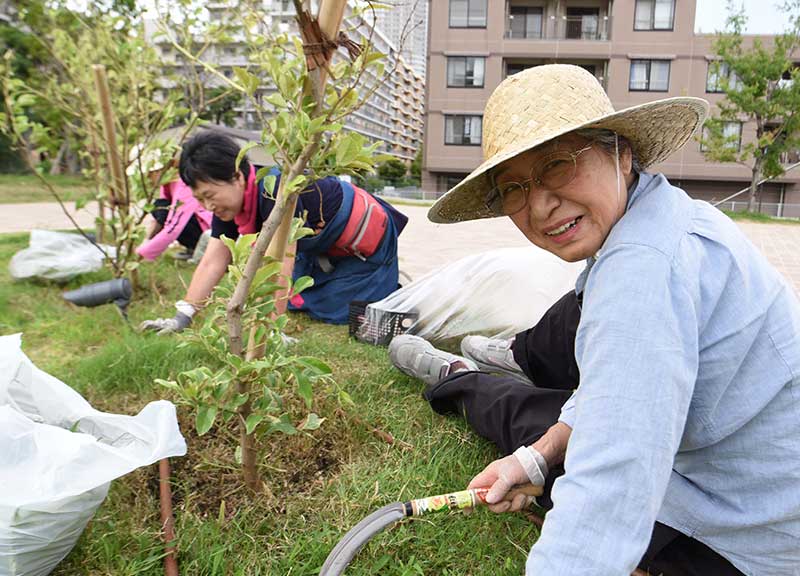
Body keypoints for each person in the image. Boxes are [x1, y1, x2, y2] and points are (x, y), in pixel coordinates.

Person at [388, 64, 800, 575]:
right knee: (555, 416)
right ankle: (502, 357)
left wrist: (542, 461)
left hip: (747, 533)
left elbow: (612, 482)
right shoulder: (663, 214)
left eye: (558, 163)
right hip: (742, 487)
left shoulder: (643, 271)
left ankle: (458, 376)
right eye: (513, 187)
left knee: (530, 422)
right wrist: (534, 458)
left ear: (622, 153)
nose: (539, 206)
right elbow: (621, 393)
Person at [140, 130, 407, 333]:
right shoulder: (228, 207)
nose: (208, 206)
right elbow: (213, 261)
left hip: (366, 240)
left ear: (238, 177)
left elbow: (281, 262)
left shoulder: (275, 189)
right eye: (200, 200)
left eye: (210, 195)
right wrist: (182, 316)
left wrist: (270, 331)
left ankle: (390, 289)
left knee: (337, 309)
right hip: (320, 247)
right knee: (299, 300)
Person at [129, 144, 213, 262]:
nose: (147, 179)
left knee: (174, 217)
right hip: (199, 227)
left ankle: (199, 249)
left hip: (209, 231)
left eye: (148, 174)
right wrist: (146, 241)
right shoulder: (167, 183)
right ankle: (192, 248)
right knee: (160, 206)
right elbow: (160, 217)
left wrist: (143, 253)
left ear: (158, 171)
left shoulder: (183, 183)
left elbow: (174, 226)